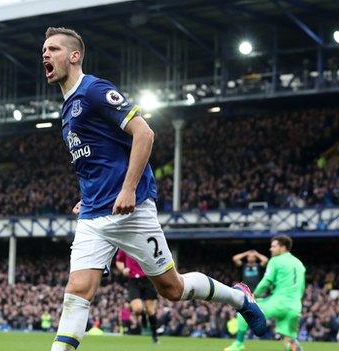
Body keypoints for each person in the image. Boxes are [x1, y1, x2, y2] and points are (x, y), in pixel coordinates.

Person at [42, 27, 267, 351]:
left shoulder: (94, 90)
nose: (46, 55)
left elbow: (144, 134)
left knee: (171, 290)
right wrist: (86, 195)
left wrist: (128, 189)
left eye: (53, 49)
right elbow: (98, 158)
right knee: (77, 291)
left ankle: (239, 298)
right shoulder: (67, 109)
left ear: (74, 56)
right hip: (94, 214)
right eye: (44, 51)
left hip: (130, 210)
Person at [225, 235, 306, 351]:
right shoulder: (299, 263)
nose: (270, 249)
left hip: (279, 303)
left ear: (283, 247)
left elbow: (266, 281)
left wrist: (254, 295)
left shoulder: (276, 260)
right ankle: (292, 345)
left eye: (273, 246)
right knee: (289, 342)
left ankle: (238, 343)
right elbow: (302, 287)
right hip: (295, 307)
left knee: (244, 308)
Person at [115, 249, 159, 342]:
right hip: (133, 280)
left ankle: (154, 336)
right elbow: (119, 261)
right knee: (137, 308)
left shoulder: (145, 242)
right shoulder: (124, 245)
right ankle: (142, 314)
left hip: (147, 279)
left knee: (150, 309)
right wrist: (123, 269)